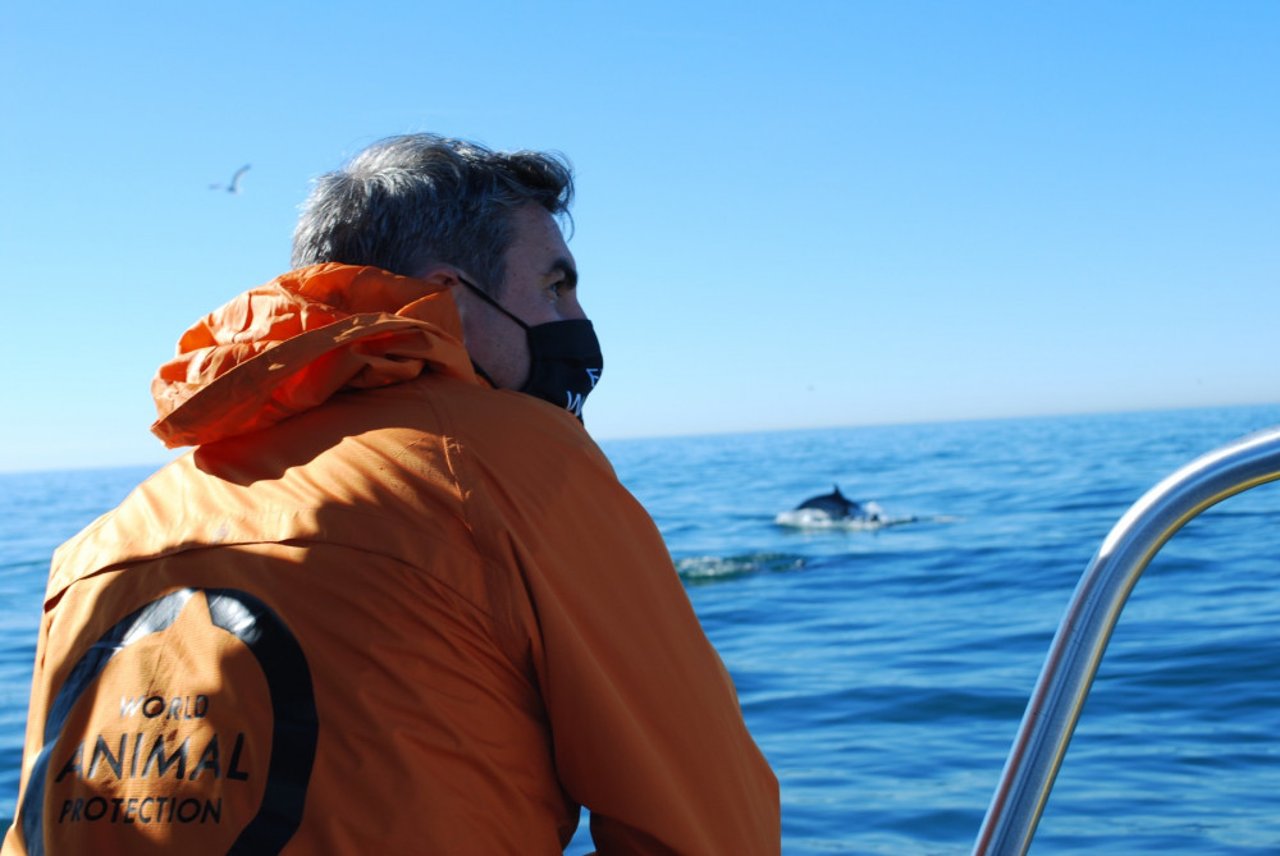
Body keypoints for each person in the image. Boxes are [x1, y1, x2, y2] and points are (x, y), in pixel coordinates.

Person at [3, 134, 779, 854]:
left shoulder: (100, 544)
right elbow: (707, 825)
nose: (576, 319)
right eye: (557, 285)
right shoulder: (515, 468)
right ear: (450, 297)